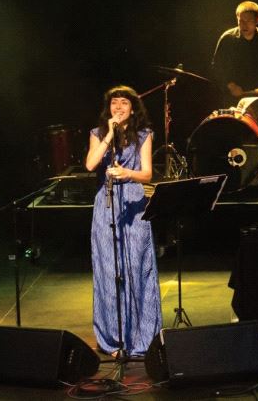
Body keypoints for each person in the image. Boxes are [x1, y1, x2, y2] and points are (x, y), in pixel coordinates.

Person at [84, 86, 162, 357]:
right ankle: (113, 339)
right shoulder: (97, 134)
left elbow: (148, 173)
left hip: (134, 205)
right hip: (106, 205)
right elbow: (91, 165)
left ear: (133, 108)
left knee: (138, 267)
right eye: (114, 103)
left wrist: (127, 173)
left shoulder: (144, 135)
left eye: (124, 103)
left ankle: (142, 337)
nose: (119, 107)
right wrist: (108, 135)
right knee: (108, 270)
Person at [211, 0, 258, 105]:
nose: (244, 25)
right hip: (234, 99)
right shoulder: (227, 38)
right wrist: (231, 85)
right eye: (241, 20)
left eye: (249, 21)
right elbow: (217, 67)